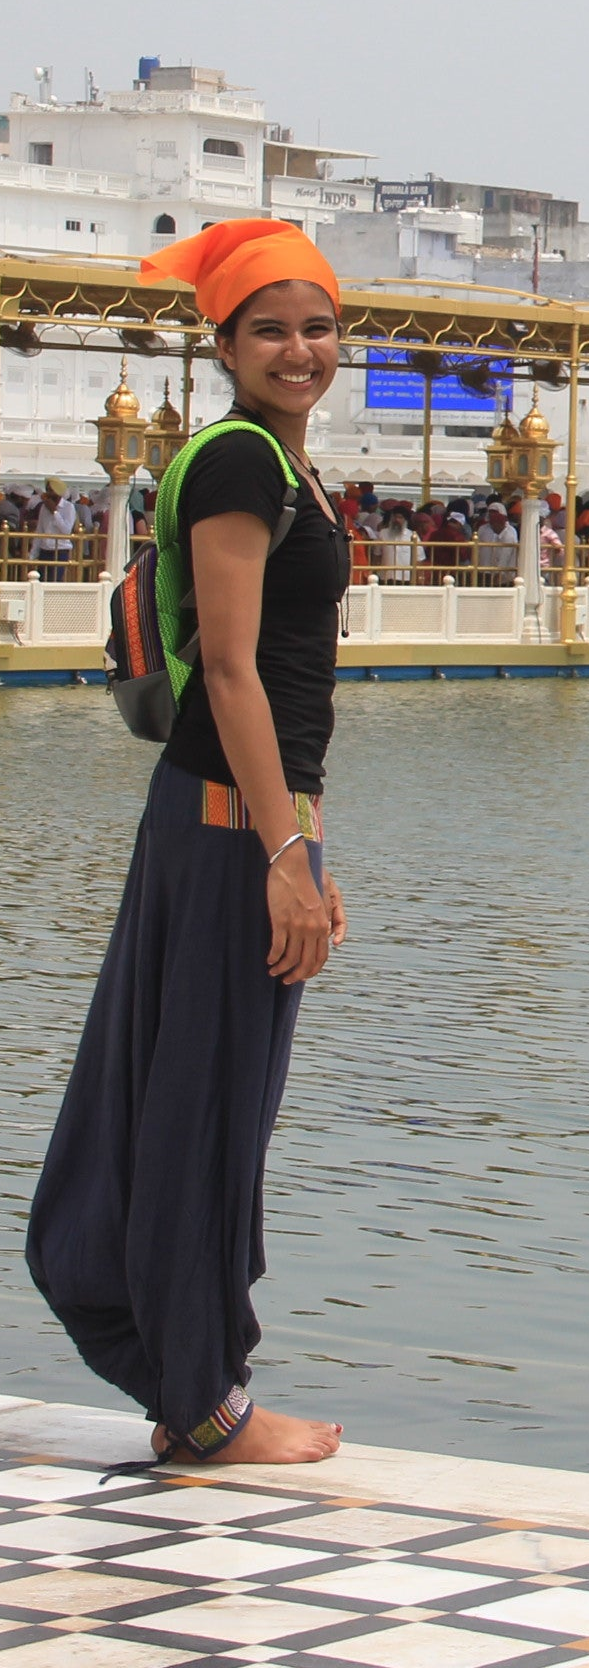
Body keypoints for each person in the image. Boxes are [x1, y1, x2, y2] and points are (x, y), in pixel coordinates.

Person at [28, 218, 350, 1469]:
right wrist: (281, 856)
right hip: (225, 830)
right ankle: (203, 1402)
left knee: (215, 1099)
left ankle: (198, 1375)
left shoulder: (284, 464)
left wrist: (307, 845)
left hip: (249, 827)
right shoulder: (235, 465)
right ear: (223, 342)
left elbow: (292, 679)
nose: (298, 347)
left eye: (316, 325)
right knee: (202, 1106)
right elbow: (227, 668)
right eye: (269, 328)